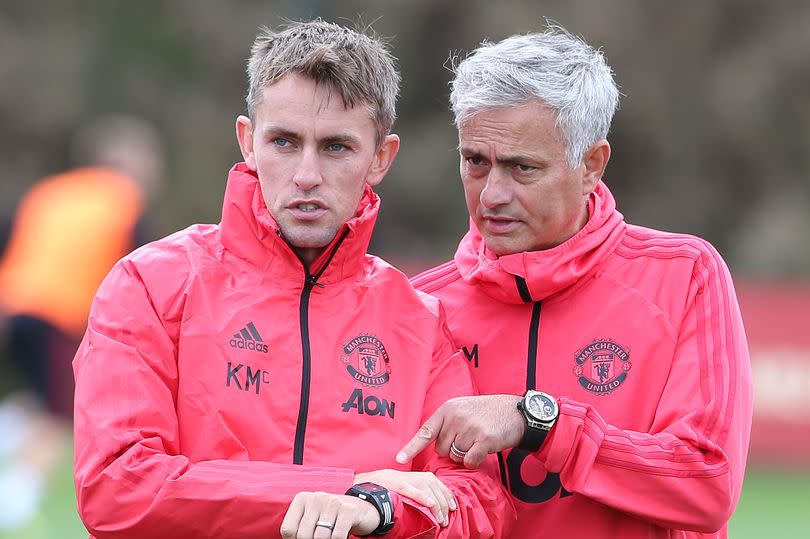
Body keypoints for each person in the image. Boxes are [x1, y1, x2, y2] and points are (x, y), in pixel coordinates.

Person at [72, 20, 513, 539]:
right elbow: (115, 486)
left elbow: (478, 505)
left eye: (336, 148)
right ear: (248, 142)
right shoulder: (149, 285)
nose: (306, 174)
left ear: (380, 158)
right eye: (284, 141)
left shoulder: (421, 319)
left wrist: (383, 511)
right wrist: (340, 489)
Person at [398, 24, 753, 538]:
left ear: (591, 165)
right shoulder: (421, 306)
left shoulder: (684, 275)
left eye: (522, 168)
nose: (492, 194)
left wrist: (539, 423)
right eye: (475, 161)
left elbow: (708, 482)